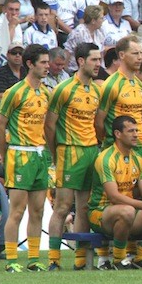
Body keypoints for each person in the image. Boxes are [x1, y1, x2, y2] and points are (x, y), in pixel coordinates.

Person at [88, 115, 142, 270]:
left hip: (129, 212)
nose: (136, 134)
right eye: (130, 131)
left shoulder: (138, 159)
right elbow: (114, 197)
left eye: (136, 130)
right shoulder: (106, 158)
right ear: (118, 134)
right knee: (127, 211)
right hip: (101, 213)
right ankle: (119, 259)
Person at [44, 43, 102, 270]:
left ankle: (80, 261)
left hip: (91, 151)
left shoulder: (97, 90)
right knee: (62, 207)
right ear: (80, 61)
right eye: (94, 60)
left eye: (99, 60)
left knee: (85, 206)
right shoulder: (64, 89)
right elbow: (49, 126)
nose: (98, 64)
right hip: (69, 151)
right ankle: (54, 260)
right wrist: (56, 152)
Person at [0, 44, 50, 272]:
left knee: (38, 210)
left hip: (39, 155)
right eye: (43, 62)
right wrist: (7, 155)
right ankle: (11, 260)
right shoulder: (15, 92)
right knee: (17, 210)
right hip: (20, 154)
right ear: (30, 64)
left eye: (48, 62)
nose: (47, 66)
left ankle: (34, 259)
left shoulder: (46, 92)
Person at [95, 35, 142, 160]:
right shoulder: (111, 85)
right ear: (122, 55)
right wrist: (109, 141)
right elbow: (98, 121)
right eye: (135, 53)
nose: (140, 58)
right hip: (117, 148)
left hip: (139, 146)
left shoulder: (140, 85)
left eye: (141, 53)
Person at [64, 5, 105, 73]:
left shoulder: (100, 32)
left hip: (95, 69)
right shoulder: (79, 32)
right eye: (101, 18)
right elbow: (68, 51)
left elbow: (101, 55)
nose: (103, 21)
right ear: (93, 21)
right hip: (76, 69)